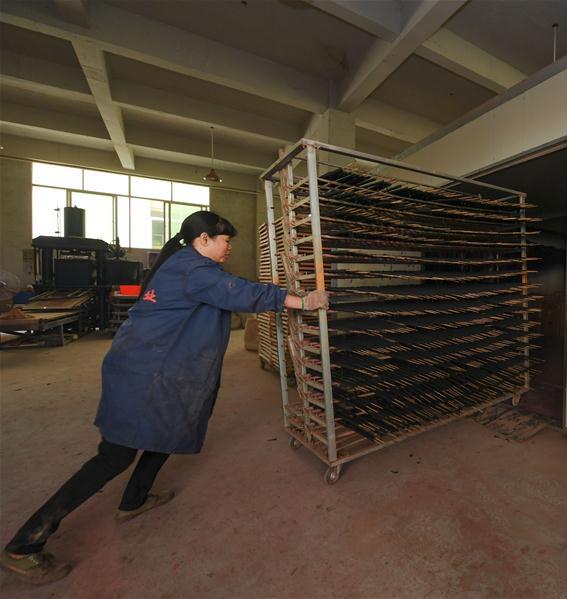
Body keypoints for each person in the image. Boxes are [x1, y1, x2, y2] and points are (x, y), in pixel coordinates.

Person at [1, 211, 327, 585]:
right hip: (146, 374)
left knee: (169, 430)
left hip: (159, 368)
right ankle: (24, 544)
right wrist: (303, 301)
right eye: (224, 240)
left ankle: (134, 501)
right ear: (202, 240)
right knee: (115, 456)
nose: (229, 247)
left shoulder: (184, 265)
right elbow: (242, 292)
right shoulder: (195, 270)